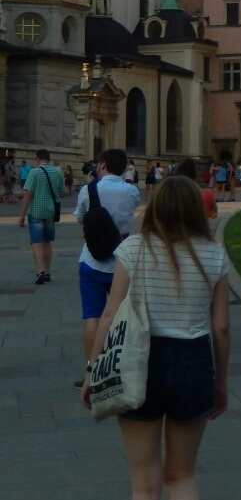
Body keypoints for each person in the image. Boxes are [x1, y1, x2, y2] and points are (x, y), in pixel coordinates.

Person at [82, 175, 230, 500]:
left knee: (144, 485)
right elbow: (222, 328)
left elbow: (109, 314)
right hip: (194, 363)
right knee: (182, 477)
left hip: (139, 362)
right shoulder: (214, 255)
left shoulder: (132, 249)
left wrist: (92, 372)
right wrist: (220, 381)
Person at [73, 149, 142, 388]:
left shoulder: (89, 190)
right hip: (121, 260)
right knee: (120, 317)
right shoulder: (132, 191)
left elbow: (80, 217)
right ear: (124, 168)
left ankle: (91, 370)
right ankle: (118, 369)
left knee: (92, 316)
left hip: (91, 258)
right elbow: (130, 215)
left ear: (102, 164)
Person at [17, 148, 64, 284]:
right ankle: (48, 272)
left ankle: (40, 271)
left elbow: (28, 194)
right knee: (47, 242)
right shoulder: (57, 173)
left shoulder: (34, 172)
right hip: (51, 211)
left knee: (37, 242)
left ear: (38, 158)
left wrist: (21, 215)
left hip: (36, 212)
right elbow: (62, 193)